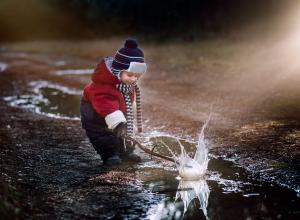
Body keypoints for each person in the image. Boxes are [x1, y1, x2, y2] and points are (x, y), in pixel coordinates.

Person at [80, 39, 147, 166]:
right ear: (118, 71)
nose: (134, 79)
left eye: (137, 76)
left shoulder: (126, 83)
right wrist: (118, 122)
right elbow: (107, 106)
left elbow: (127, 100)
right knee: (103, 137)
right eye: (130, 75)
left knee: (124, 132)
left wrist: (124, 120)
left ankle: (126, 152)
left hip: (117, 111)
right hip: (95, 115)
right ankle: (110, 155)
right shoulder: (103, 85)